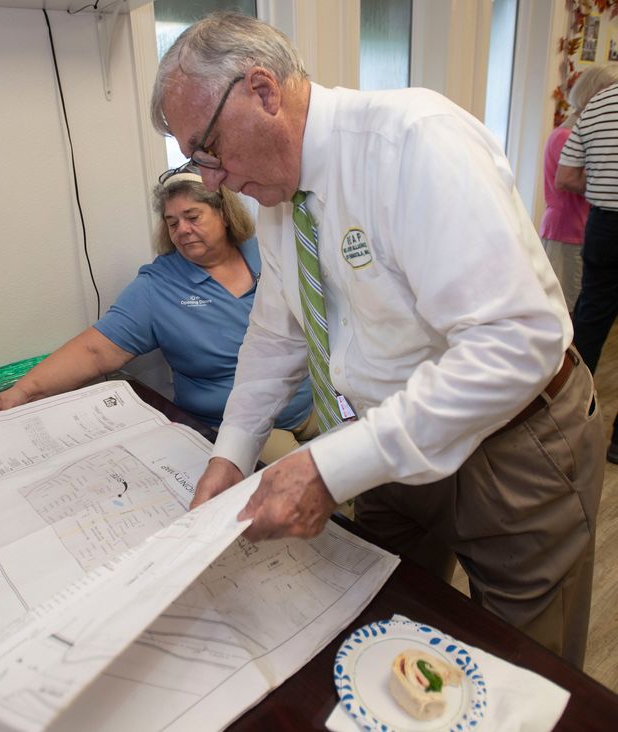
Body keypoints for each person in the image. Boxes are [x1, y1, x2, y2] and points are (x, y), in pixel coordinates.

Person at [150, 11, 604, 667]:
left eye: (209, 149)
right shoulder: (280, 199)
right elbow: (276, 340)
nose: (211, 179)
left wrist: (330, 467)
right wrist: (230, 457)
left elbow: (516, 343)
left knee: (526, 669)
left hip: (514, 446)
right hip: (384, 445)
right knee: (378, 627)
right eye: (195, 161)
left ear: (264, 92)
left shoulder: (416, 142)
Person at [0, 170, 316, 465]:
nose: (182, 230)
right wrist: (25, 390)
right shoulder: (158, 286)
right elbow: (95, 351)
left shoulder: (265, 252)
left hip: (311, 399)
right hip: (244, 425)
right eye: (172, 223)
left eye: (192, 217)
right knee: (327, 492)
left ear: (224, 214)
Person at [556, 65, 618, 463]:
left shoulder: (597, 106)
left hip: (605, 225)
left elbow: (567, 175)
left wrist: (599, 181)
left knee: (589, 325)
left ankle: (566, 423)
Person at [539, 67, 610, 313]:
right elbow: (568, 181)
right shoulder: (565, 136)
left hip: (577, 229)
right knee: (562, 307)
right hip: (565, 229)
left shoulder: (578, 133)